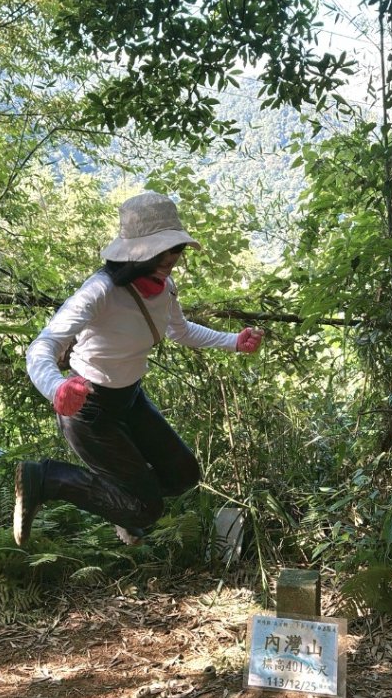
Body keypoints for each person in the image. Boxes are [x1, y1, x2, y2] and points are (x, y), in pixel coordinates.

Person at [14, 190, 264, 547]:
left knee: (182, 475)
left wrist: (233, 341)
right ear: (134, 252)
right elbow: (43, 345)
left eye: (174, 249)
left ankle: (124, 503)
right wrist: (56, 388)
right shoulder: (99, 292)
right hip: (88, 408)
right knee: (146, 510)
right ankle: (48, 479)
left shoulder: (165, 288)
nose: (169, 259)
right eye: (158, 251)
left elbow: (181, 330)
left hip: (130, 399)